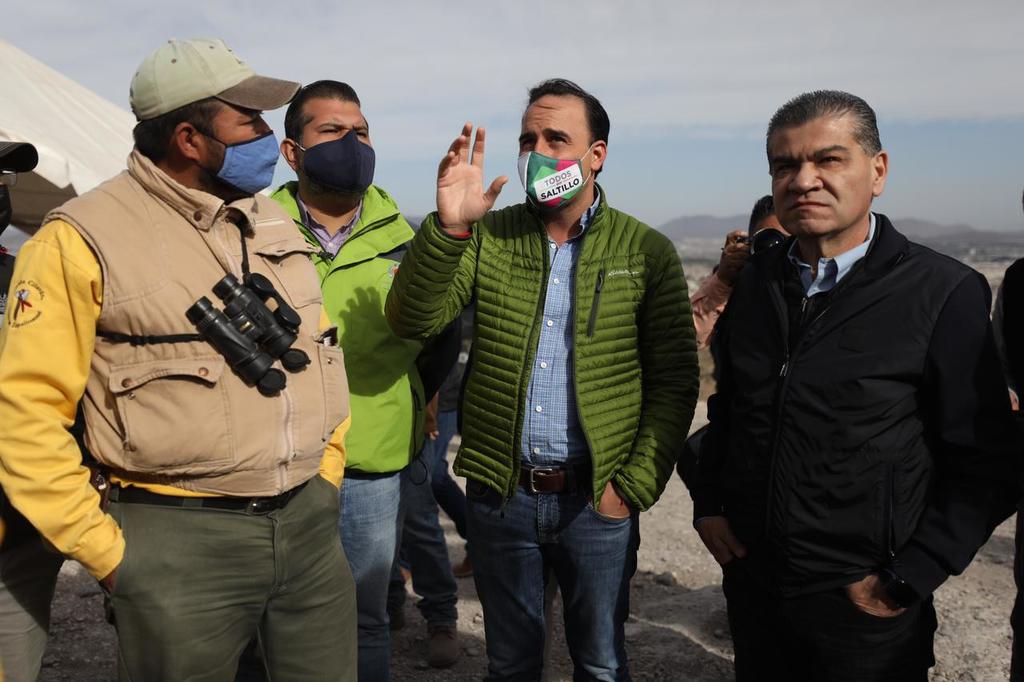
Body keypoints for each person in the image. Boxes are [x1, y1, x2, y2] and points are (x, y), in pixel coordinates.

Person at [0, 39, 357, 681]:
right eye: (247, 119)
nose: (265, 134)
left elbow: (323, 352)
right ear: (190, 139)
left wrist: (327, 470)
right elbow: (23, 417)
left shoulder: (270, 219)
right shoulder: (79, 239)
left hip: (308, 526)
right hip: (175, 540)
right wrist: (108, 554)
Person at [686, 89, 1019, 681]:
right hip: (757, 589)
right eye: (785, 165)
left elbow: (987, 459)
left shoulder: (943, 292)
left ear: (878, 170)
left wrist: (909, 576)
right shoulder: (759, 283)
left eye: (828, 160)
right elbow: (731, 409)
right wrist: (709, 504)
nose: (804, 179)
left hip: (865, 606)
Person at [386, 78, 699, 681]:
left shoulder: (647, 250)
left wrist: (628, 489)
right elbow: (412, 318)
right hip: (502, 499)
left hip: (595, 501)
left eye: (558, 137)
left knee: (602, 662)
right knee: (510, 663)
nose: (539, 151)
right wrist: (448, 228)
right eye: (529, 138)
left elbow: (675, 380)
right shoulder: (490, 236)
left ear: (596, 154)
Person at [272, 80, 457, 680]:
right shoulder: (252, 233)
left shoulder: (406, 241)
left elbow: (438, 343)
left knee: (363, 618)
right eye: (331, 131)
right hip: (274, 459)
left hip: (370, 460)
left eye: (362, 130)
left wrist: (411, 402)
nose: (351, 143)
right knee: (270, 616)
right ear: (292, 152)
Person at [690, 195, 788, 350]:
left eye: (795, 242)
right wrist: (722, 281)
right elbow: (683, 338)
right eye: (770, 243)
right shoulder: (739, 288)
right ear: (750, 245)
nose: (785, 253)